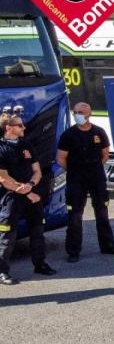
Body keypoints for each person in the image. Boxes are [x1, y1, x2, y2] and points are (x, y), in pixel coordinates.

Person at [57, 102, 114, 261]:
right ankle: (73, 251)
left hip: (96, 178)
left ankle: (107, 246)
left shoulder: (99, 132)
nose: (77, 114)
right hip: (76, 179)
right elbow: (61, 159)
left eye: (81, 112)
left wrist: (95, 167)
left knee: (102, 212)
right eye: (75, 112)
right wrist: (74, 170)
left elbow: (105, 154)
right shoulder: (68, 135)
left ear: (89, 114)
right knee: (75, 216)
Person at [0, 112, 51, 284]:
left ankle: (40, 264)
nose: (24, 128)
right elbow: (3, 179)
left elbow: (37, 170)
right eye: (20, 125)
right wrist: (28, 192)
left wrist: (31, 184)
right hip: (11, 198)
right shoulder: (1, 148)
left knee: (37, 231)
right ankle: (2, 272)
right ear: (8, 128)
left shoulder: (26, 145)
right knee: (7, 235)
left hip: (31, 193)